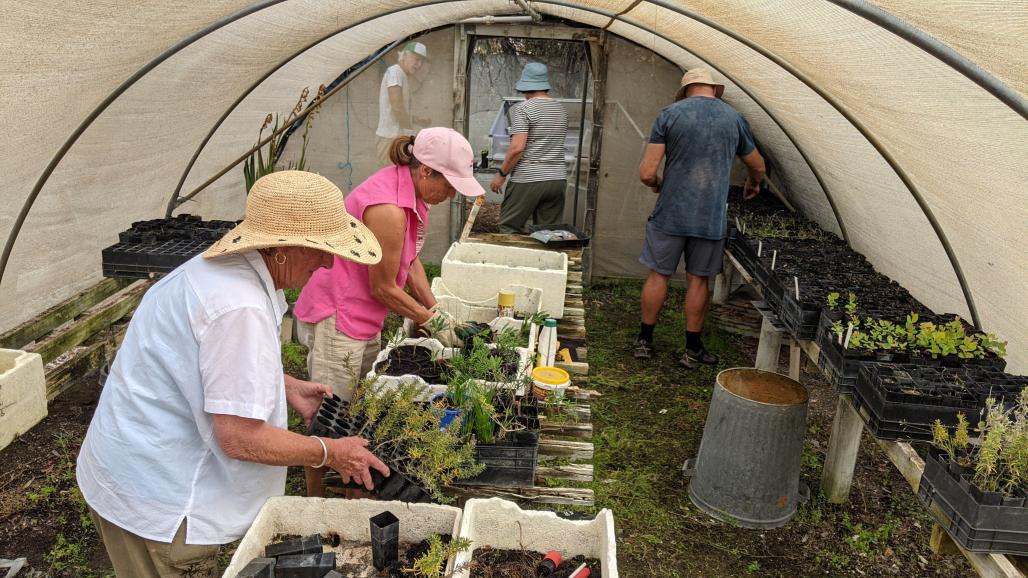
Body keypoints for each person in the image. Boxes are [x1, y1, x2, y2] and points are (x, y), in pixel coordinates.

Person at [76, 171, 391, 578]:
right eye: (319, 249)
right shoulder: (237, 306)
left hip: (134, 469)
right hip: (165, 503)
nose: (329, 261)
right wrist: (330, 452)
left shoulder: (226, 273)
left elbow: (200, 364)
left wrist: (286, 385)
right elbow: (240, 438)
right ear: (281, 248)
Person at [634, 68, 765, 368]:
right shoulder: (734, 119)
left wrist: (656, 185)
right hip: (710, 217)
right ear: (714, 90)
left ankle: (644, 341)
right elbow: (756, 165)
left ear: (686, 90)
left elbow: (646, 173)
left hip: (670, 213)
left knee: (658, 275)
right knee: (699, 280)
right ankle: (692, 350)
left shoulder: (669, 115)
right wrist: (754, 183)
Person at [491, 62, 568, 233]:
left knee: (509, 228)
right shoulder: (560, 109)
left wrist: (501, 174)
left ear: (525, 86)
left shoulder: (523, 109)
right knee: (548, 233)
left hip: (528, 179)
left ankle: (513, 260)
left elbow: (517, 148)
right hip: (557, 179)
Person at [375, 42, 431, 167]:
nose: (419, 64)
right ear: (404, 56)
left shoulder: (401, 74)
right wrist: (410, 134)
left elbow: (398, 109)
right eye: (416, 59)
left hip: (395, 137)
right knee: (391, 178)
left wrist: (416, 120)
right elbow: (397, 107)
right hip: (390, 138)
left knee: (398, 177)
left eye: (421, 61)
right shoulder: (395, 72)